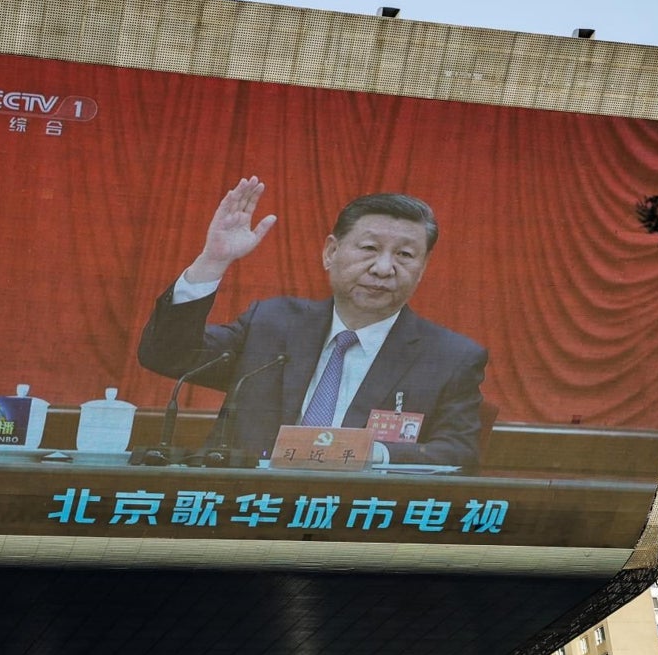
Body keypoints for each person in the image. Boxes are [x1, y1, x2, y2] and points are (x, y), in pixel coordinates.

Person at [137, 176, 488, 466]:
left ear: (422, 269)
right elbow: (167, 355)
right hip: (241, 510)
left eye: (405, 255)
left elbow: (458, 452)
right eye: (369, 248)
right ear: (331, 252)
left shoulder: (450, 358)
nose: (384, 268)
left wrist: (365, 453)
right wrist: (212, 261)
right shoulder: (271, 324)